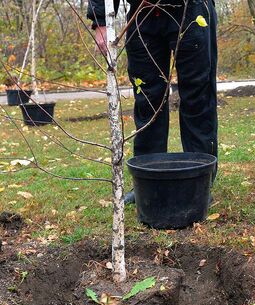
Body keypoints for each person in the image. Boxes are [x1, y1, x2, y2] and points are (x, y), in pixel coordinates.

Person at [88, 0, 218, 204]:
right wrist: (100, 20)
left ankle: (200, 181)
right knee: (147, 99)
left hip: (191, 9)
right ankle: (147, 181)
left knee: (197, 95)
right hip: (143, 13)